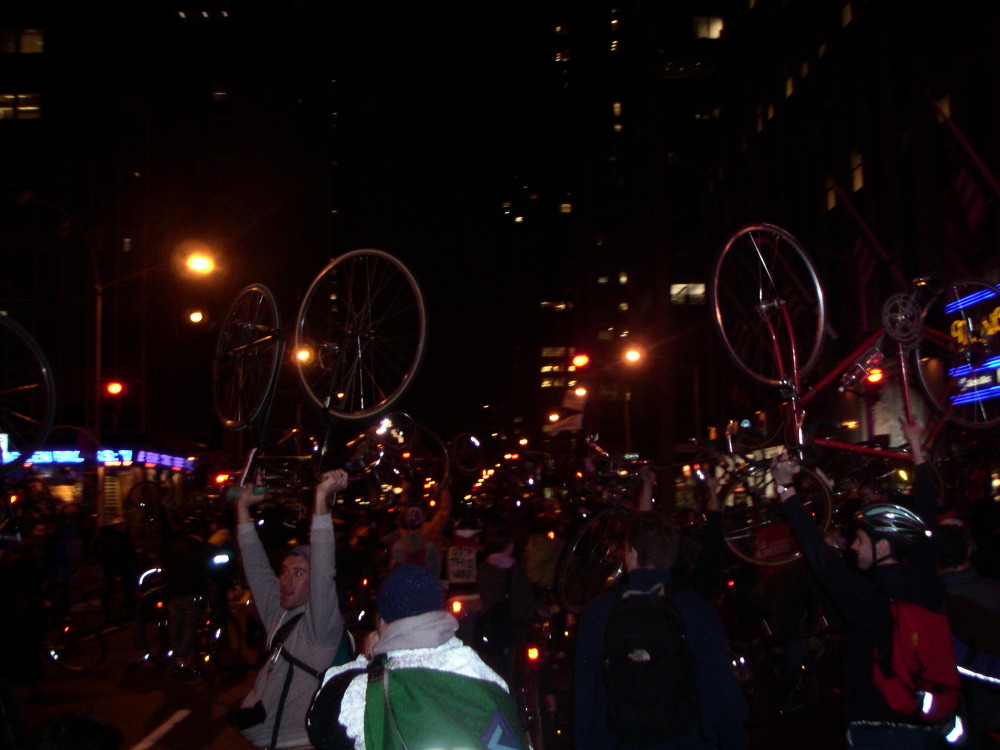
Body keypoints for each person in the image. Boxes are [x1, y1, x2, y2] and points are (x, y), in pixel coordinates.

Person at [774, 417, 945, 749]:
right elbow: (928, 520)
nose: (852, 547)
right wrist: (919, 453)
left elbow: (818, 556)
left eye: (861, 541)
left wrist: (785, 489)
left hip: (877, 727)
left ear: (881, 548)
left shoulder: (867, 596)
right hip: (925, 724)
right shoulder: (923, 578)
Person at [574, 507, 748, 750]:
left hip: (618, 740)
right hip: (684, 740)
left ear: (632, 553)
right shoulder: (694, 609)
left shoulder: (598, 612)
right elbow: (719, 689)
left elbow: (586, 697)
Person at [308, 563, 525, 750]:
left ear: (382, 621)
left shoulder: (369, 691)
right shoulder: (485, 676)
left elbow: (319, 726)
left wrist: (367, 659)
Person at [233, 470, 349, 750]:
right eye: (284, 571)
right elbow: (256, 566)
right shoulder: (281, 613)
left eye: (298, 574)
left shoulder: (319, 628)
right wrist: (242, 508)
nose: (285, 580)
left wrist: (321, 498)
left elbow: (323, 565)